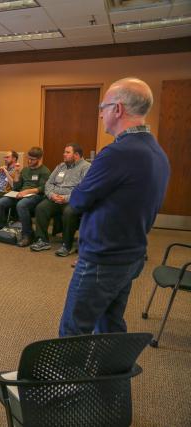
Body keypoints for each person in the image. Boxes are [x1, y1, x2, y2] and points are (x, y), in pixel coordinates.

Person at [59, 77, 170, 337]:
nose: (100, 114)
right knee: (110, 326)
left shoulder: (116, 154)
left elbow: (78, 200)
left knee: (73, 331)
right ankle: (113, 378)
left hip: (104, 258)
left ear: (117, 109)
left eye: (102, 107)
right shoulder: (157, 151)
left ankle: (68, 379)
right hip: (131, 254)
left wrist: (92, 255)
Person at [30, 144, 91, 256]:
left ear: (76, 155)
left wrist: (66, 198)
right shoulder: (61, 166)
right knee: (41, 208)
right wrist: (52, 195)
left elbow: (84, 189)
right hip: (55, 198)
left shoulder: (86, 167)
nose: (64, 154)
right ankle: (42, 240)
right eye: (64, 152)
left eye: (67, 152)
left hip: (72, 200)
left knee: (69, 212)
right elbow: (49, 183)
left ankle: (67, 245)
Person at [0, 147, 50, 247]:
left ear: (39, 159)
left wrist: (28, 191)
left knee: (21, 205)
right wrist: (16, 173)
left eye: (32, 159)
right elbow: (16, 186)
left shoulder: (44, 171)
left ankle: (27, 235)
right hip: (21, 193)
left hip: (36, 196)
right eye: (28, 158)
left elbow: (43, 188)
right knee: (0, 202)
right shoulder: (25, 170)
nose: (29, 161)